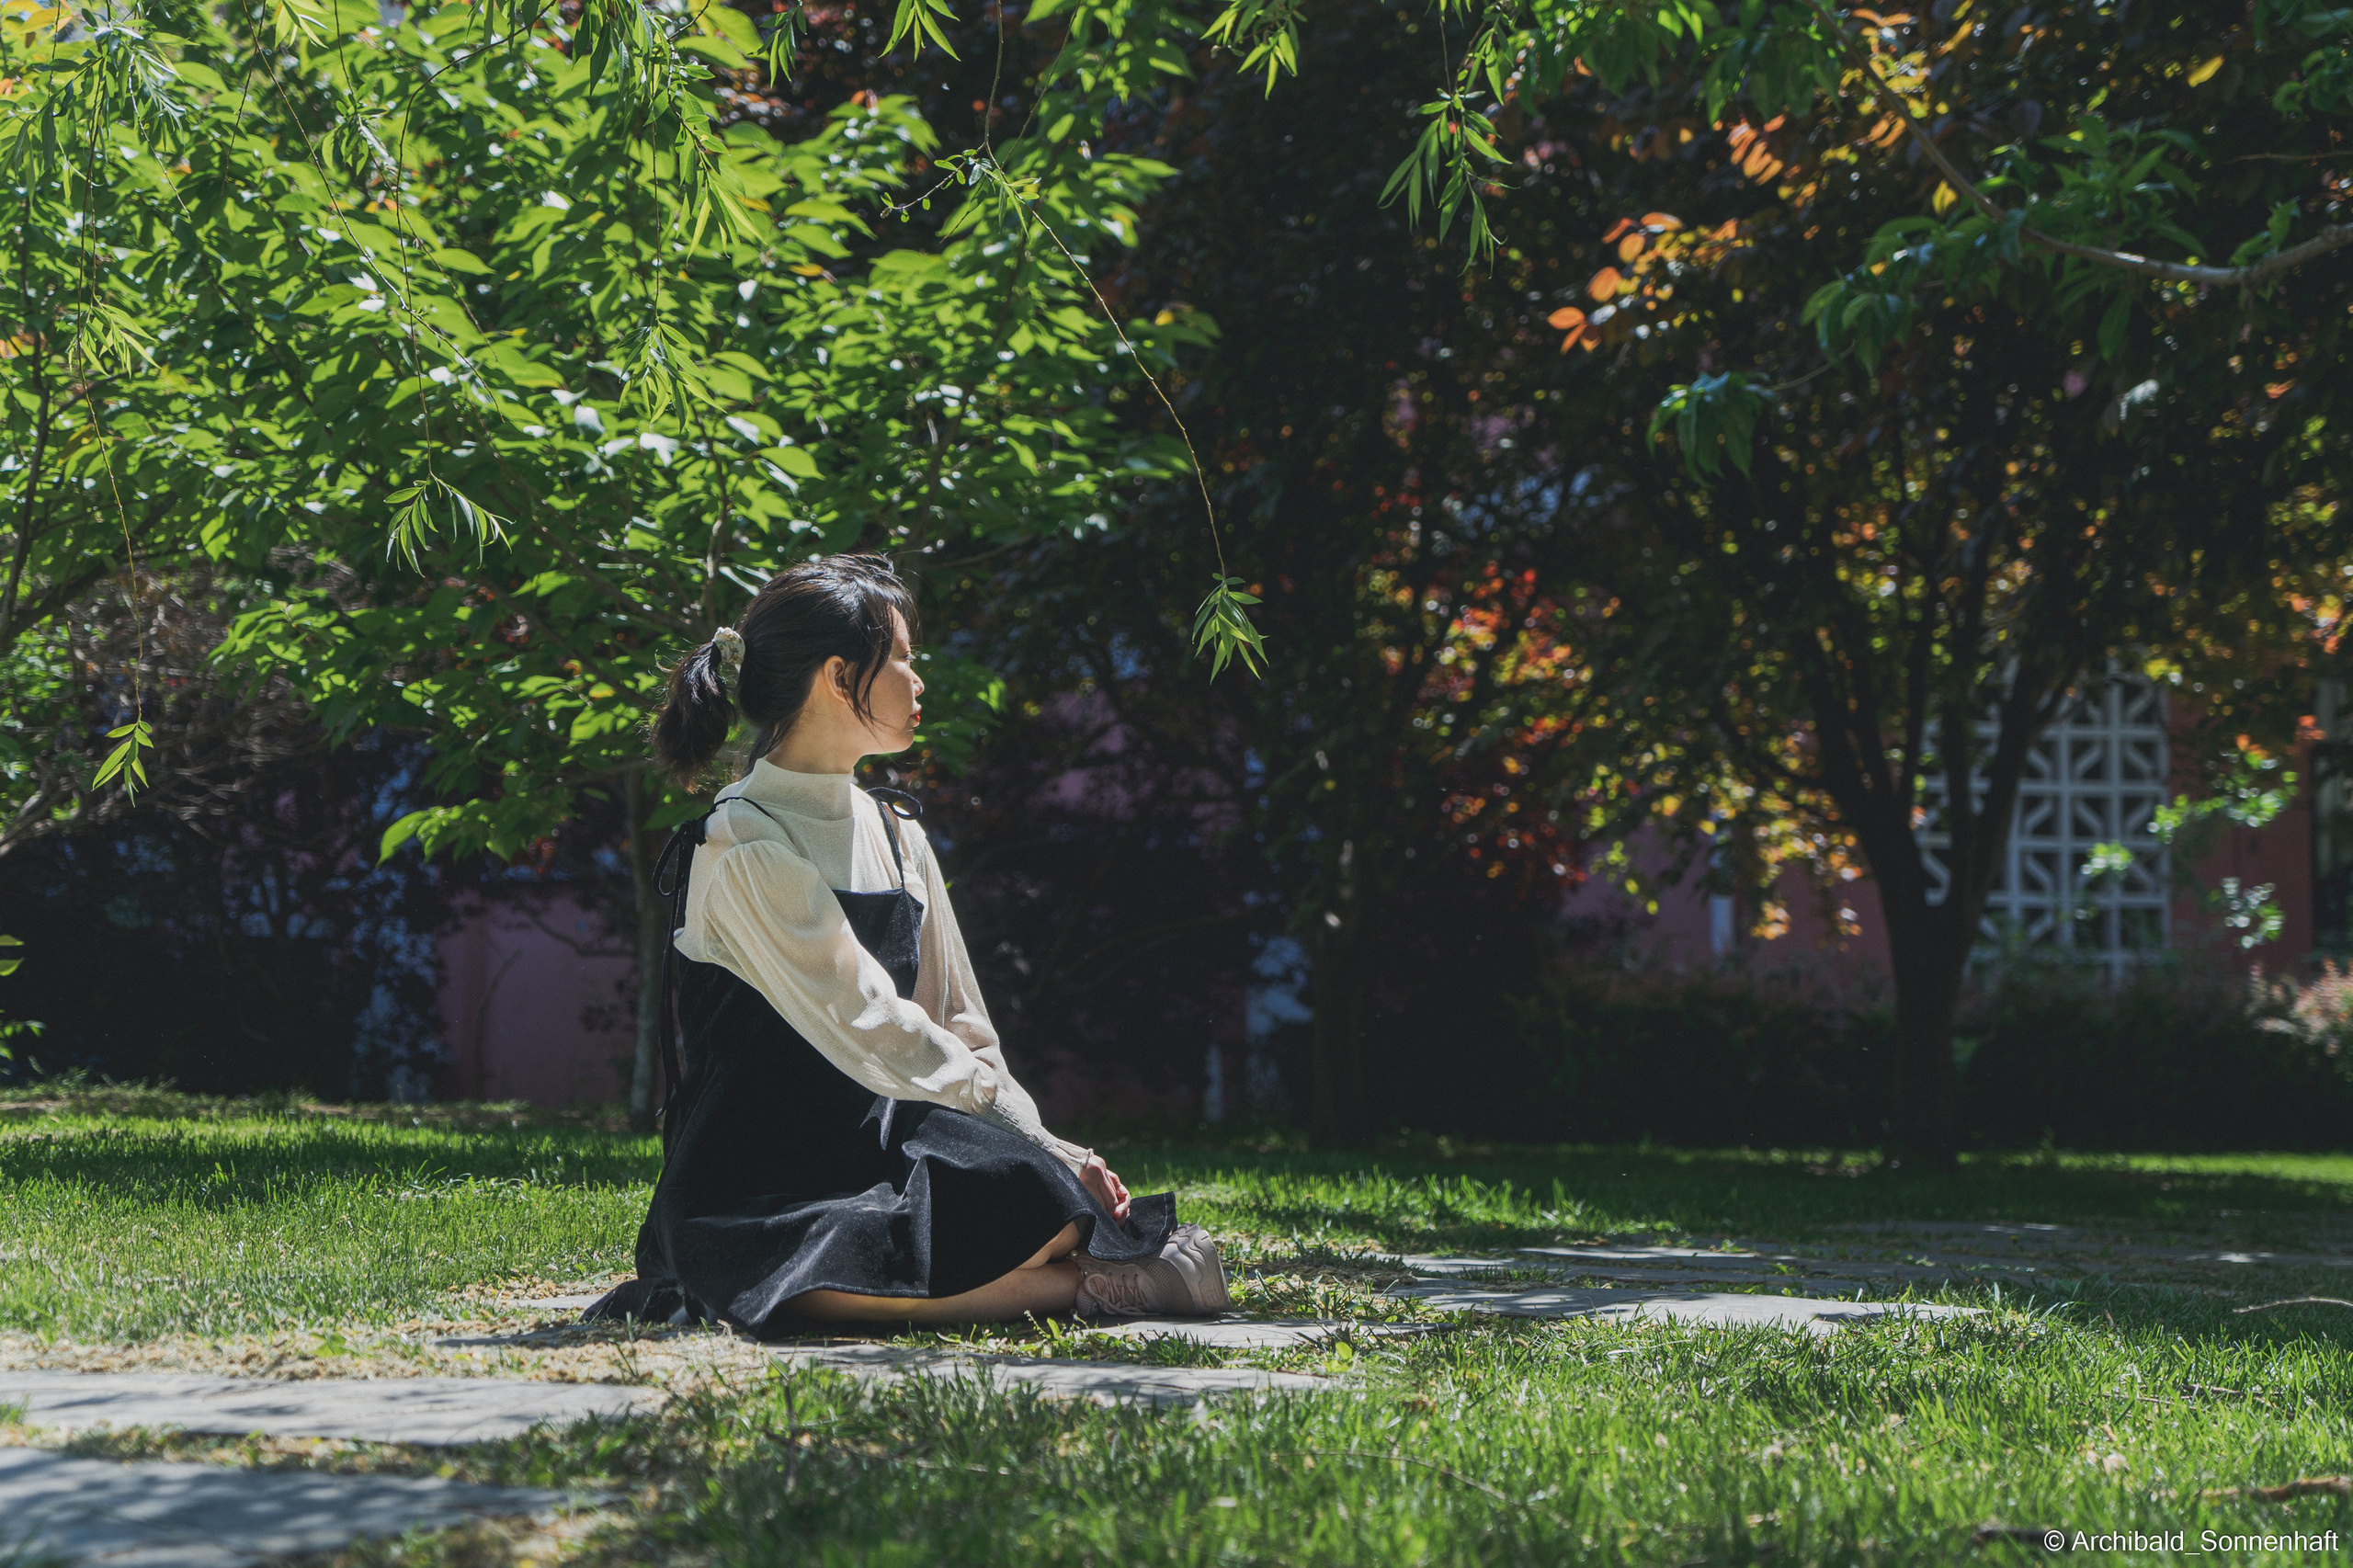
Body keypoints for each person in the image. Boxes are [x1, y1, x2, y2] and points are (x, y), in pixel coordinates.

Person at [586, 553, 1229, 1335]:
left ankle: (1075, 1261)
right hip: (758, 1179)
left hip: (890, 1143)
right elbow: (873, 1024)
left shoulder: (899, 837)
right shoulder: (743, 846)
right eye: (901, 658)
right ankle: (1090, 1287)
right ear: (836, 675)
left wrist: (1046, 1143)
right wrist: (1043, 1147)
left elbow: (962, 1026)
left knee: (1044, 1196)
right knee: (776, 1277)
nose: (918, 681)